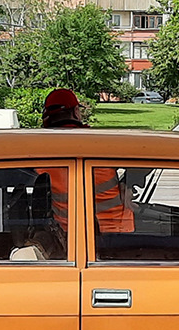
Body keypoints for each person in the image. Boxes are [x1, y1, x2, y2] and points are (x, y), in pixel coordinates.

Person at [38, 89, 134, 233]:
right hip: (117, 233)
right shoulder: (101, 144)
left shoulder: (41, 153)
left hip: (68, 236)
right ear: (76, 112)